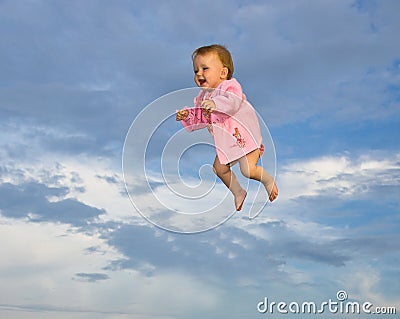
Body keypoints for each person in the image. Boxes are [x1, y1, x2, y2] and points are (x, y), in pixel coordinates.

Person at [176, 44, 278, 211]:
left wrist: (215, 103)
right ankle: (238, 192)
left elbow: (232, 102)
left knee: (248, 170)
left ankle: (267, 180)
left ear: (223, 73)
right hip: (227, 144)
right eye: (196, 71)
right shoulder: (203, 97)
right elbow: (201, 117)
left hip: (245, 138)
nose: (199, 74)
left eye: (204, 69)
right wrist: (187, 115)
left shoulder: (229, 87)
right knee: (219, 169)